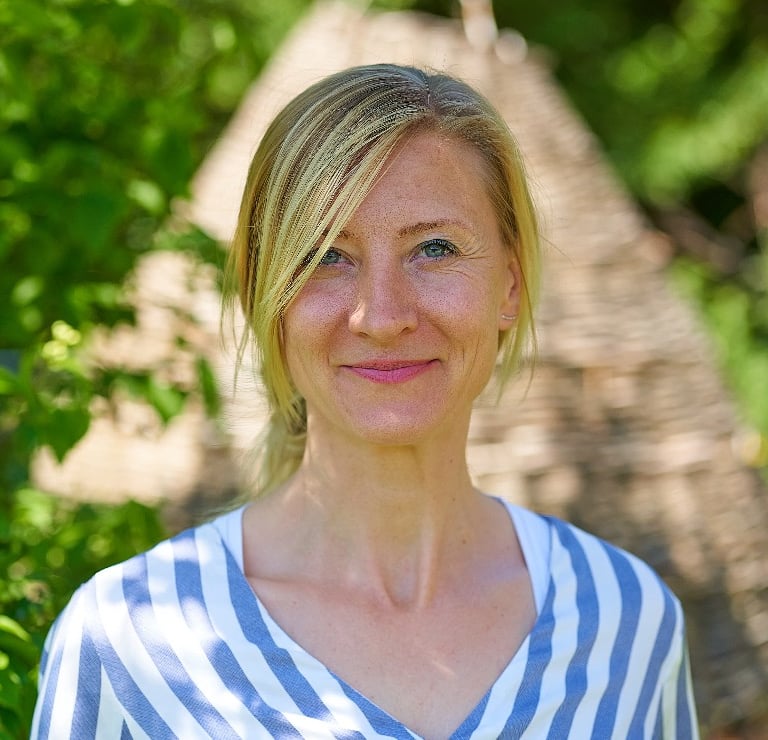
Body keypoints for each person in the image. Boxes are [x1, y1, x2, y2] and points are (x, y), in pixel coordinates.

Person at [31, 63, 698, 739]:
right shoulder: (131, 643)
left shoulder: (626, 623)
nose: (381, 316)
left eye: (434, 248)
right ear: (266, 296)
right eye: (327, 254)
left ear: (510, 285)